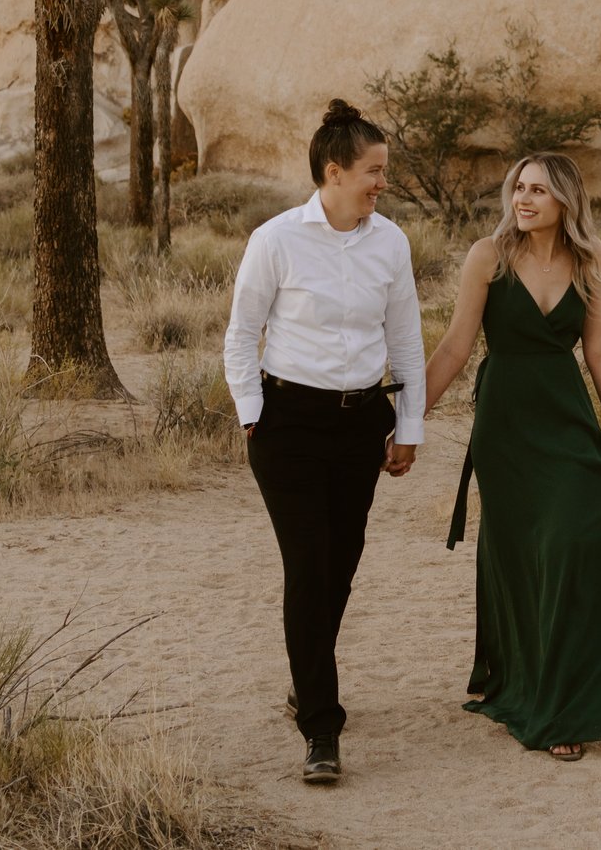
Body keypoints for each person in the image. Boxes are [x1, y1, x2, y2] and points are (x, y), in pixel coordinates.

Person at [223, 100, 426, 785]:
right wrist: (254, 413)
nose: (381, 183)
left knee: (339, 566)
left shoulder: (390, 242)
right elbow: (239, 335)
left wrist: (410, 425)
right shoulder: (275, 240)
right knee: (309, 565)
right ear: (333, 172)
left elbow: (405, 341)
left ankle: (306, 674)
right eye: (373, 171)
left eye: (384, 171)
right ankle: (321, 725)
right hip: (289, 427)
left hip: (361, 421)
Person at [425, 151, 601, 762]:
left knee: (573, 541)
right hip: (508, 426)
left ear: (566, 202)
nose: (523, 199)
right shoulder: (487, 257)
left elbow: (599, 353)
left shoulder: (588, 259)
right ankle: (536, 694)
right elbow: (454, 345)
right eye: (518, 187)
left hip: (565, 418)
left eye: (538, 191)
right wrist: (406, 415)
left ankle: (564, 693)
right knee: (527, 556)